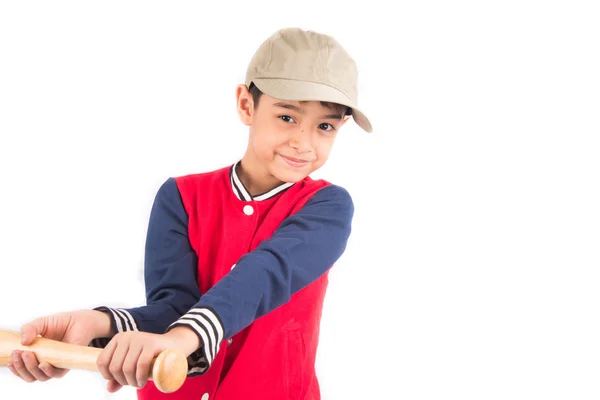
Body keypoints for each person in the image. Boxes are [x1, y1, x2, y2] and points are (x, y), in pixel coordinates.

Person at [7, 27, 373, 399]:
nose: (303, 142)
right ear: (247, 105)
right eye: (287, 117)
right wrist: (99, 324)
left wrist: (185, 337)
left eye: (324, 126)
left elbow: (265, 273)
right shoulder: (181, 196)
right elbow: (175, 307)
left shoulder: (328, 208)